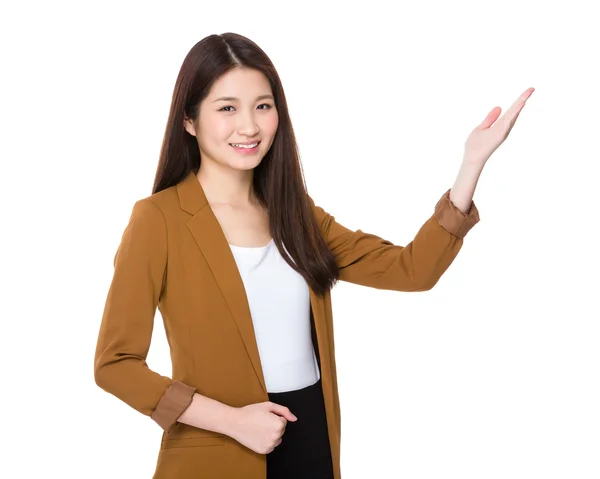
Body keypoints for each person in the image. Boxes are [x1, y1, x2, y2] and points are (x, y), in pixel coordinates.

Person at [93, 32, 534, 479]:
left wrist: (471, 164)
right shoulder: (159, 219)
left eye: (262, 106)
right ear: (189, 120)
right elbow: (115, 365)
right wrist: (233, 421)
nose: (249, 126)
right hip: (219, 451)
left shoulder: (294, 213)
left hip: (312, 443)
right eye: (227, 108)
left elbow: (412, 270)